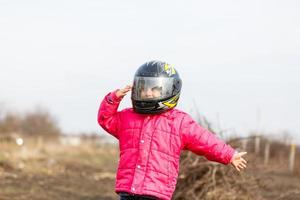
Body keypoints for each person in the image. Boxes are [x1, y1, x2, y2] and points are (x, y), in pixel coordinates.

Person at [98, 61, 247, 200]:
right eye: (144, 88)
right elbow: (106, 119)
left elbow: (205, 140)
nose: (148, 93)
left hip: (156, 192)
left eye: (155, 89)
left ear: (170, 90)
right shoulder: (127, 117)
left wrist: (229, 155)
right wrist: (113, 99)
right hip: (128, 190)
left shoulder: (179, 122)